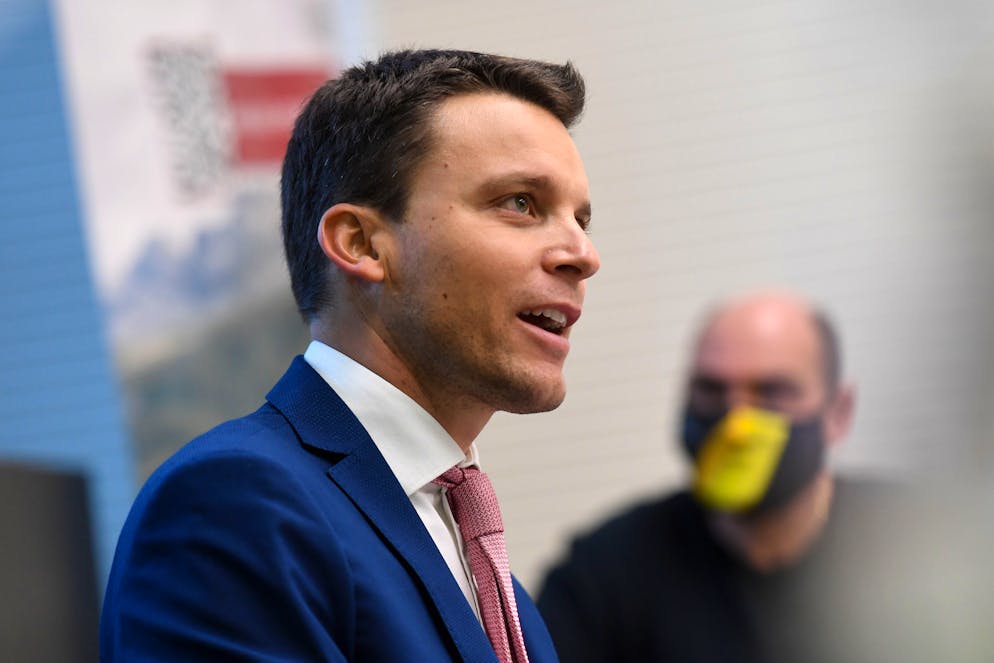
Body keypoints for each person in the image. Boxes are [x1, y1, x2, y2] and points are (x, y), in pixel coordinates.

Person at [100, 49, 599, 662]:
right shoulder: (236, 505)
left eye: (581, 219)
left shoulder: (499, 591)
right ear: (361, 244)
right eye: (520, 203)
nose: (583, 254)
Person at [536, 290, 900, 663]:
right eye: (712, 391)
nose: (736, 425)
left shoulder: (918, 548)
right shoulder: (602, 578)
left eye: (772, 393)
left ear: (839, 412)